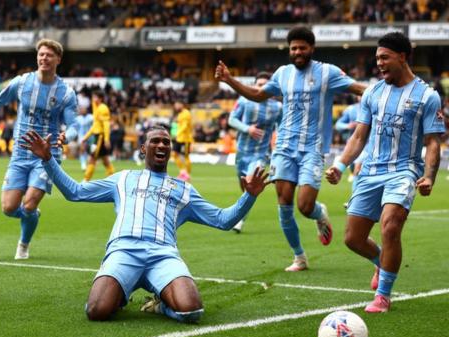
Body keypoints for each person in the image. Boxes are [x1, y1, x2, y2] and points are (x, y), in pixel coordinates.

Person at [20, 126, 270, 323]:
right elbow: (75, 192)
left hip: (163, 255)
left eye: (166, 142)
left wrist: (249, 196)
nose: (162, 145)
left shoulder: (183, 189)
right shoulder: (123, 178)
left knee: (191, 312)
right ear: (143, 148)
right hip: (124, 251)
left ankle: (162, 305)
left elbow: (223, 220)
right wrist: (47, 160)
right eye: (155, 141)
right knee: (96, 311)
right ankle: (120, 294)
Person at [216, 26, 367, 271]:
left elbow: (359, 88)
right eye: (293, 48)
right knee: (284, 204)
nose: (297, 51)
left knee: (305, 206)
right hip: (284, 148)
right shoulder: (282, 73)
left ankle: (319, 214)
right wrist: (230, 80)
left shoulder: (327, 72)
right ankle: (299, 257)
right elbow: (257, 94)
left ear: (312, 49)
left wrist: (390, 92)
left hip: (313, 149)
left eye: (302, 47)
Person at [325, 32, 445, 313]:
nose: (378, 62)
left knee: (390, 227)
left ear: (402, 57)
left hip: (404, 171)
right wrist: (340, 165)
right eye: (377, 57)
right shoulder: (373, 92)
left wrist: (429, 176)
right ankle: (381, 262)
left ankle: (383, 295)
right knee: (352, 239)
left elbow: (432, 143)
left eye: (384, 57)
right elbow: (358, 137)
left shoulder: (427, 96)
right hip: (370, 172)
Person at [0, 39, 77, 260]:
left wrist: (67, 137)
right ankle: (31, 216)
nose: (44, 58)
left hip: (46, 156)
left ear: (58, 60)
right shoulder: (22, 82)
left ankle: (23, 244)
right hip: (20, 154)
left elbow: (73, 125)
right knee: (8, 208)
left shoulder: (66, 93)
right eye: (41, 54)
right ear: (37, 57)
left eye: (49, 55)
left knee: (30, 202)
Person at [227, 71, 282, 233]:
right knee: (244, 189)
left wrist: (277, 144)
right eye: (259, 85)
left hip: (261, 155)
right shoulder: (244, 101)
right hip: (242, 154)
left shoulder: (277, 107)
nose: (262, 88)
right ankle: (241, 213)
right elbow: (232, 119)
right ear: (254, 86)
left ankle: (239, 221)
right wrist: (247, 128)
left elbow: (281, 127)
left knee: (250, 184)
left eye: (265, 86)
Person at [82, 90, 115, 181]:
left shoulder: (103, 108)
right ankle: (112, 179)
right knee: (105, 161)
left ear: (100, 98)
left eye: (95, 97)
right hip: (97, 137)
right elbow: (94, 126)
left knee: (92, 158)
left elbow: (106, 125)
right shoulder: (96, 108)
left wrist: (107, 139)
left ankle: (85, 180)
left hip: (101, 138)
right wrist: (86, 137)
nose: (93, 99)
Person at [65, 105, 93, 170]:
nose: (82, 110)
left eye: (84, 109)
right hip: (82, 137)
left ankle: (89, 164)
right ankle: (83, 164)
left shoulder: (91, 117)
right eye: (81, 109)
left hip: (90, 137)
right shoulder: (78, 118)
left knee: (90, 151)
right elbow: (74, 126)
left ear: (87, 110)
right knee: (82, 149)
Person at [171, 101, 194, 181]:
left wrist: (178, 133)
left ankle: (187, 175)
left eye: (177, 105)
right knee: (174, 154)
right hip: (179, 138)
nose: (176, 107)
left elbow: (185, 126)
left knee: (186, 157)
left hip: (186, 139)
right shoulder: (180, 114)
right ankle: (182, 172)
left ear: (181, 104)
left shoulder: (186, 113)